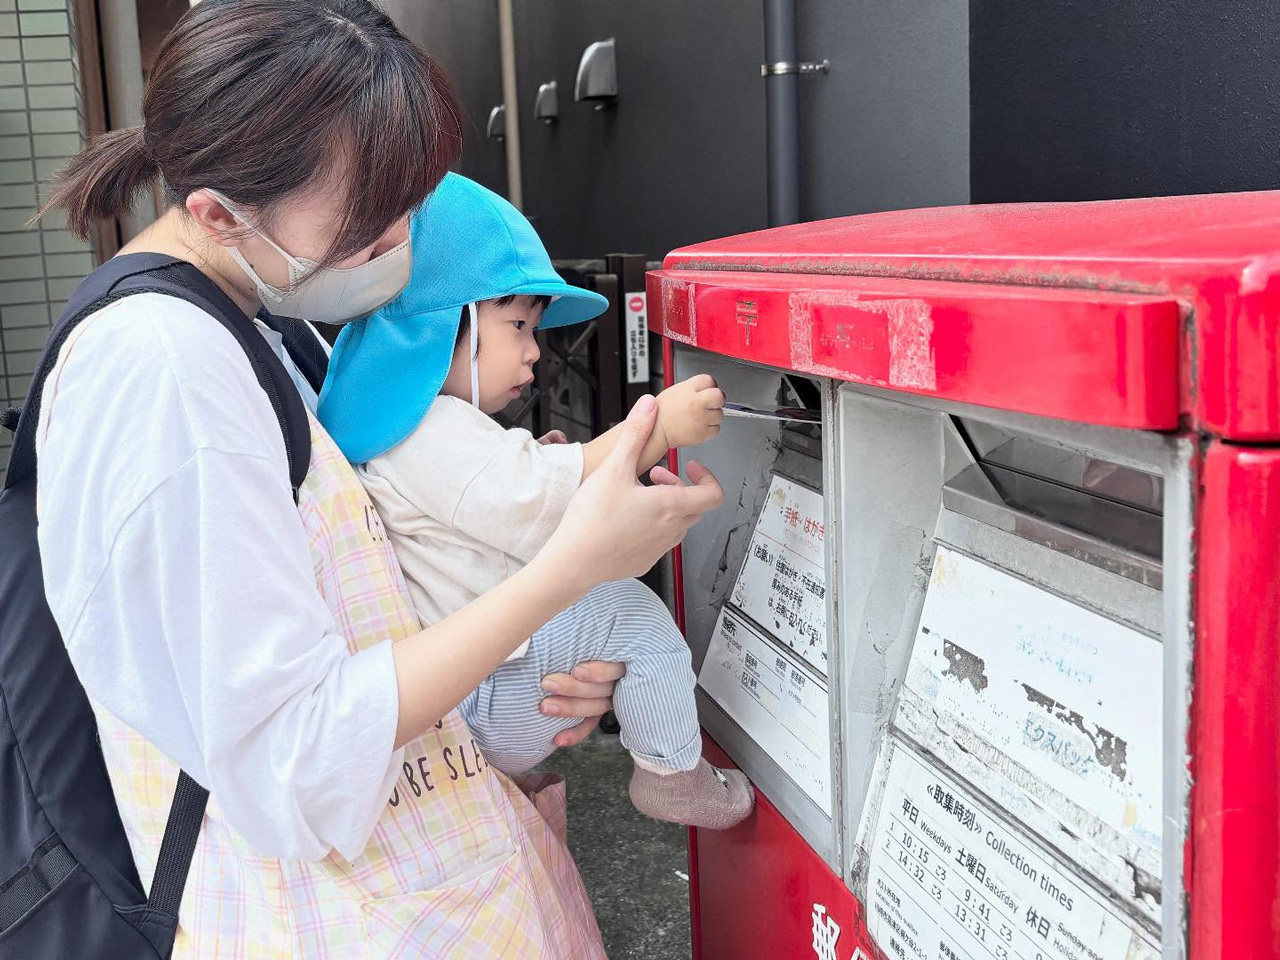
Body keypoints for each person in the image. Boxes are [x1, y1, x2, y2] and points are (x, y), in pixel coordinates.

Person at [33, 1, 722, 956]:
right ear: (219, 213)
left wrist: (521, 684)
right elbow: (296, 759)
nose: (402, 244)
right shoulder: (166, 375)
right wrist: (568, 573)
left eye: (409, 200)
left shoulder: (264, 328)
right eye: (370, 221)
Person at [317, 174, 755, 830]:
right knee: (637, 615)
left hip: (462, 687)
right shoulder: (431, 429)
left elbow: (500, 506)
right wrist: (657, 429)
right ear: (445, 324)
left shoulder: (391, 432)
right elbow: (547, 500)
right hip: (488, 690)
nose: (532, 352)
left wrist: (537, 461)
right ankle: (673, 773)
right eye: (518, 324)